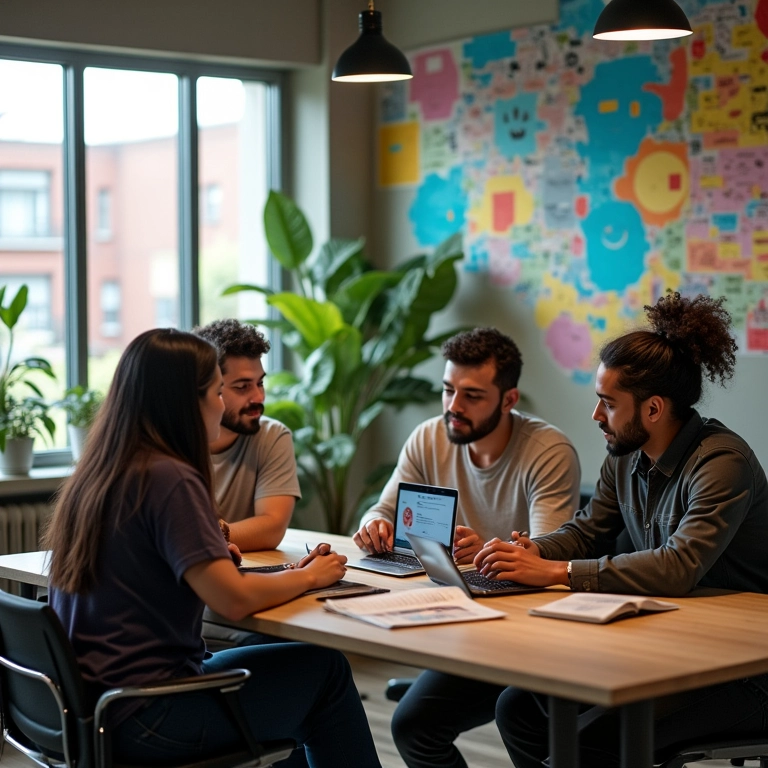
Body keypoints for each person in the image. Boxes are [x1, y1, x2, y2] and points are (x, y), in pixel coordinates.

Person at [44, 329, 381, 768]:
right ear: (187, 400)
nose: (222, 404)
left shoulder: (97, 473)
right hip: (151, 713)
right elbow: (233, 600)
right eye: (218, 391)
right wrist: (311, 575)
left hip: (92, 712)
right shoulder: (169, 477)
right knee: (325, 672)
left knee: (295, 676)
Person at [472, 293, 768, 768]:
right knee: (519, 708)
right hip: (671, 645)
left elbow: (678, 567)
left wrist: (553, 571)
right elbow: (589, 531)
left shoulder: (721, 463)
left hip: (744, 671)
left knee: (590, 745)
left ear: (653, 409)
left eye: (607, 403)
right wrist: (523, 552)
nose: (596, 416)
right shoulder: (626, 454)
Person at [353, 326, 581, 768]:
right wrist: (374, 527)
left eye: (472, 396)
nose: (453, 407)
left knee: (522, 723)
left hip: (527, 636)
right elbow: (379, 510)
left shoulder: (548, 451)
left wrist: (489, 553)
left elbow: (547, 556)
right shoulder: (428, 437)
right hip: (463, 620)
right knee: (413, 728)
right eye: (447, 390)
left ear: (509, 400)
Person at [194, 319, 299, 553]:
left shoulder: (272, 436)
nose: (258, 397)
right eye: (242, 387)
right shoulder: (169, 439)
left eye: (260, 383)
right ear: (207, 387)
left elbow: (271, 528)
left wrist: (204, 536)